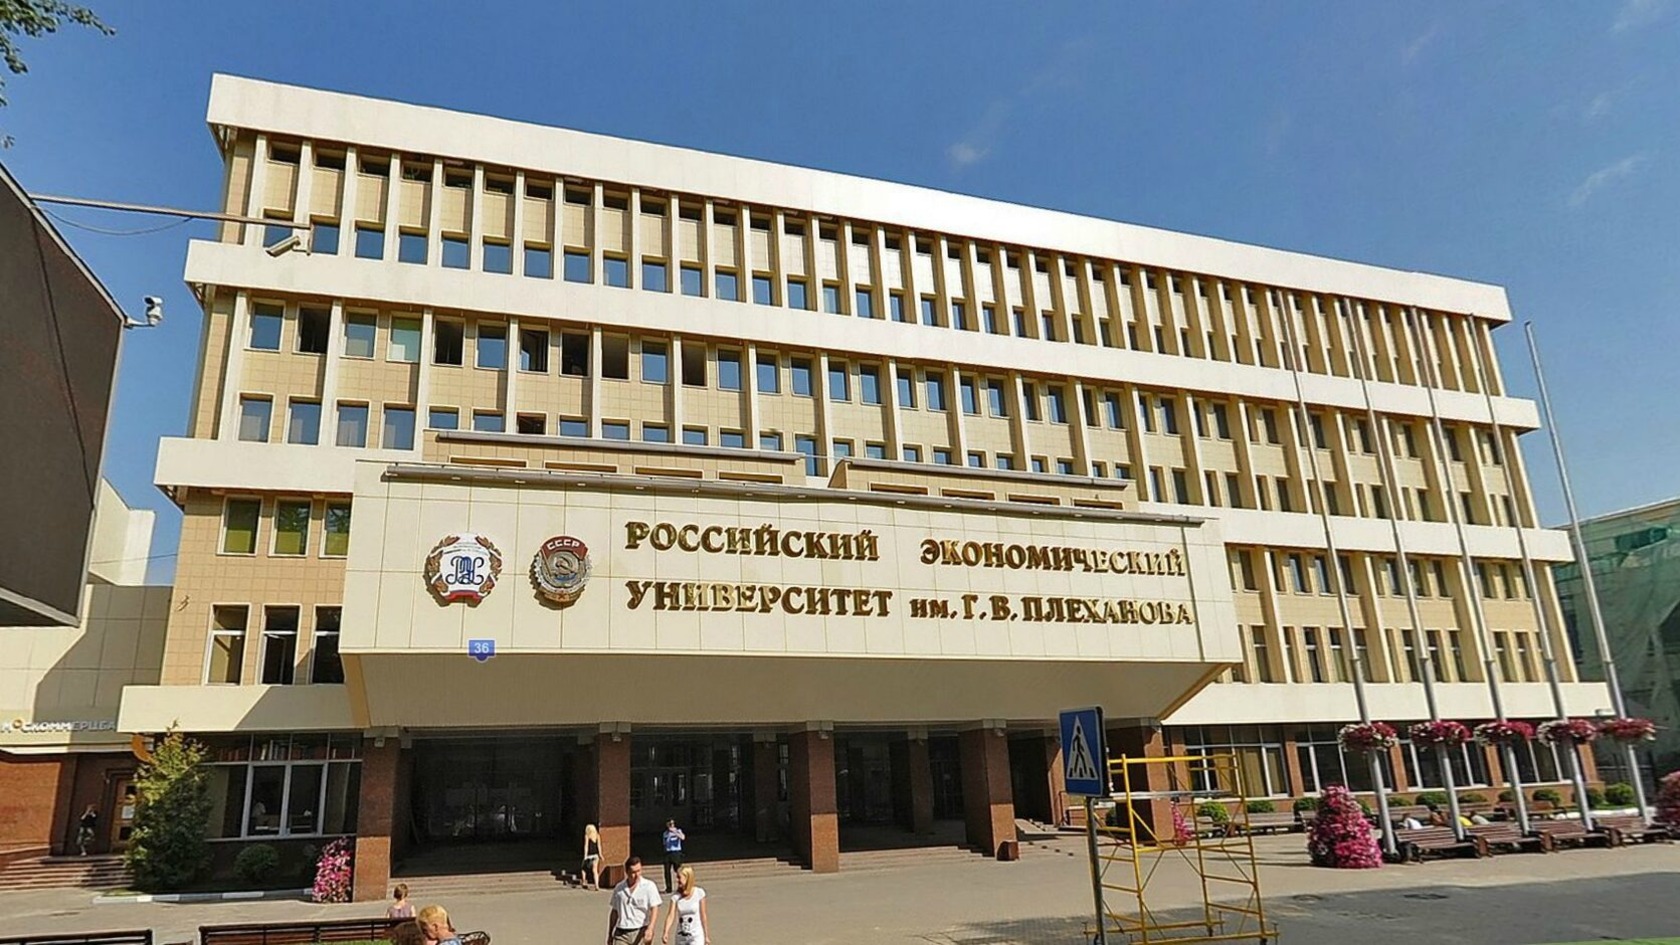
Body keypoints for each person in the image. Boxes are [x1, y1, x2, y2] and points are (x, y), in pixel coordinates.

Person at [607, 855, 661, 945]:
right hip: (622, 932)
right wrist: (610, 933)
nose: (636, 875)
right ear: (626, 872)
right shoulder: (619, 888)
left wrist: (650, 928)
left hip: (641, 931)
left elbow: (654, 908)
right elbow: (614, 911)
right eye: (633, 872)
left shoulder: (649, 886)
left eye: (639, 871)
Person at [661, 865, 709, 945]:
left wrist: (706, 935)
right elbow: (670, 916)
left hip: (696, 936)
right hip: (681, 937)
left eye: (679, 877)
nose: (677, 880)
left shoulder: (699, 893)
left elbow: (703, 915)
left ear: (687, 878)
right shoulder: (676, 897)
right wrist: (666, 932)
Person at [661, 819, 686, 894]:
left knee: (678, 870)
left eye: (672, 824)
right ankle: (668, 888)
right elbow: (664, 843)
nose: (671, 825)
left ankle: (682, 885)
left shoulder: (678, 831)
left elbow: (683, 837)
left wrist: (675, 832)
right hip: (668, 853)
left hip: (676, 852)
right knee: (667, 871)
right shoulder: (665, 833)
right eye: (669, 824)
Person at [582, 823, 603, 889]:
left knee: (583, 868)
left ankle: (584, 882)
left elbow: (586, 846)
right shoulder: (597, 836)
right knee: (595, 871)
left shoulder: (587, 836)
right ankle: (597, 885)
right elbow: (599, 846)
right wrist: (600, 854)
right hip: (596, 855)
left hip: (589, 855)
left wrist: (585, 856)